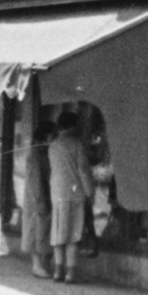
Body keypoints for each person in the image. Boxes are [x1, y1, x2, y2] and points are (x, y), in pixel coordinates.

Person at [48, 112, 93, 284]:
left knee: (58, 234)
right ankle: (70, 273)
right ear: (73, 126)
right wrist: (90, 192)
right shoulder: (77, 144)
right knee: (73, 235)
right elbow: (83, 170)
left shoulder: (53, 145)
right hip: (74, 194)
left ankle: (58, 271)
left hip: (57, 194)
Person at [24, 120, 56, 278]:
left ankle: (43, 265)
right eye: (52, 136)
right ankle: (37, 265)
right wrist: (40, 200)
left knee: (43, 231)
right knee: (36, 231)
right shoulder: (35, 153)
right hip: (38, 197)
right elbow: (35, 180)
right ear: (44, 136)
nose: (54, 139)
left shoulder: (44, 151)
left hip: (44, 195)